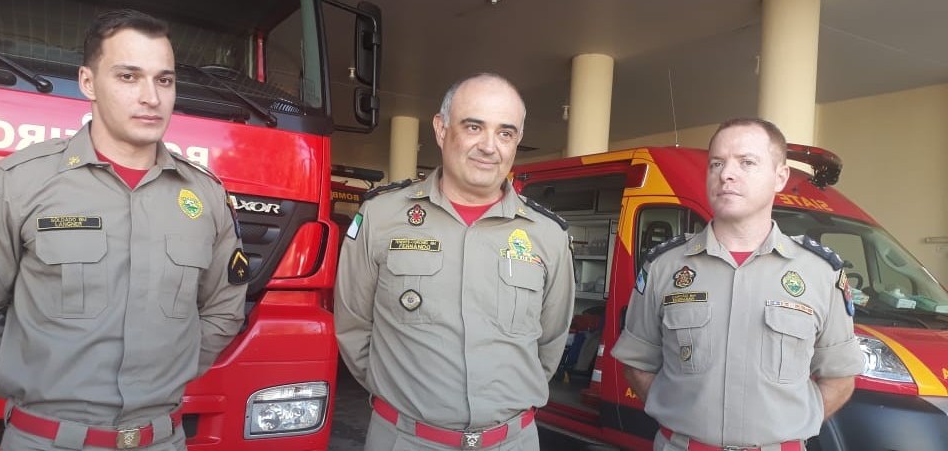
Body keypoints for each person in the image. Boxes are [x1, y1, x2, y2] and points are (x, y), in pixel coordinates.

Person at [0, 9, 248, 451]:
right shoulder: (20, 180)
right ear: (87, 82)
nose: (151, 97)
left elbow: (224, 308)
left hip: (161, 439)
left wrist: (169, 372)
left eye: (165, 80)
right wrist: (27, 379)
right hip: (44, 439)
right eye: (128, 77)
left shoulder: (207, 195)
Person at [335, 73, 575, 450]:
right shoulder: (381, 217)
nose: (489, 146)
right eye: (474, 126)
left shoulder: (548, 236)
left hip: (510, 442)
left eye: (505, 133)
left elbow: (549, 342)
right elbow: (353, 325)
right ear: (442, 129)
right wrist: (406, 399)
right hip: (405, 440)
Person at [611, 118, 863, 451]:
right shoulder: (664, 267)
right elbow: (637, 361)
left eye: (746, 162)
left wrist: (794, 424)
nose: (726, 174)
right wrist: (676, 412)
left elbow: (840, 376)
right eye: (717, 163)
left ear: (780, 177)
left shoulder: (819, 272)